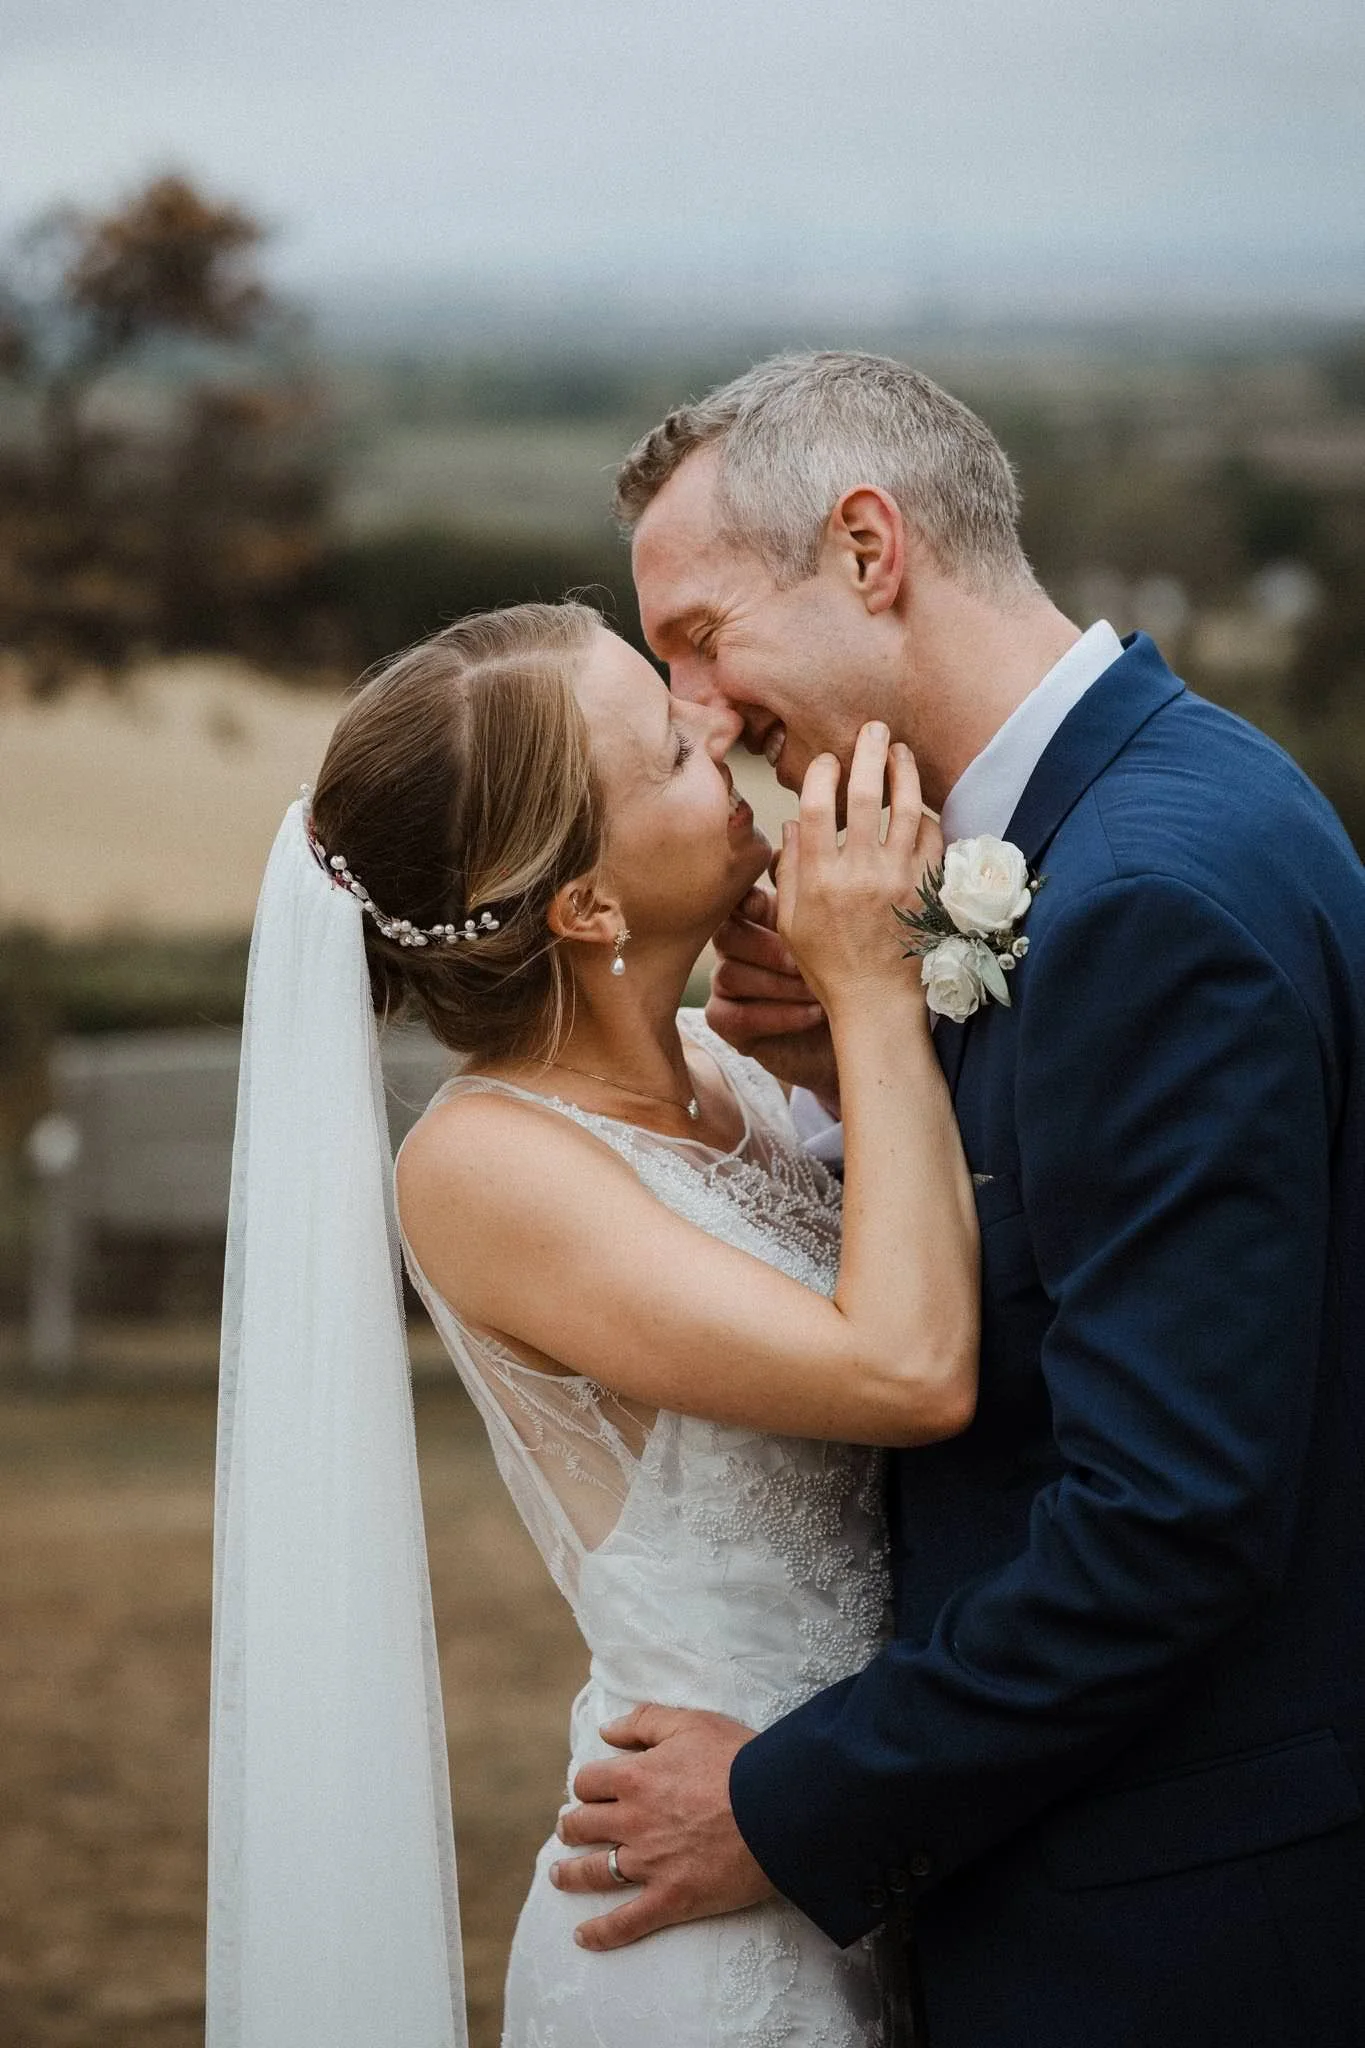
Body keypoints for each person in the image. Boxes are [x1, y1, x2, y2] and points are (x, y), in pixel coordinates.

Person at [552, 352, 1365, 2048]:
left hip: (1171, 1936)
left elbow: (1167, 1522)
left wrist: (781, 1805)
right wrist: (879, 1075)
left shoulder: (1145, 903)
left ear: (868, 549)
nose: (695, 710)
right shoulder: (1155, 806)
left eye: (701, 638)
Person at [207, 597, 980, 2048]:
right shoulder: (483, 1166)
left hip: (857, 1836)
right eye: (670, 754)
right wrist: (876, 990)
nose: (717, 726)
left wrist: (838, 1048)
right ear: (587, 907)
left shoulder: (725, 1072)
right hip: (698, 1918)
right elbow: (909, 1367)